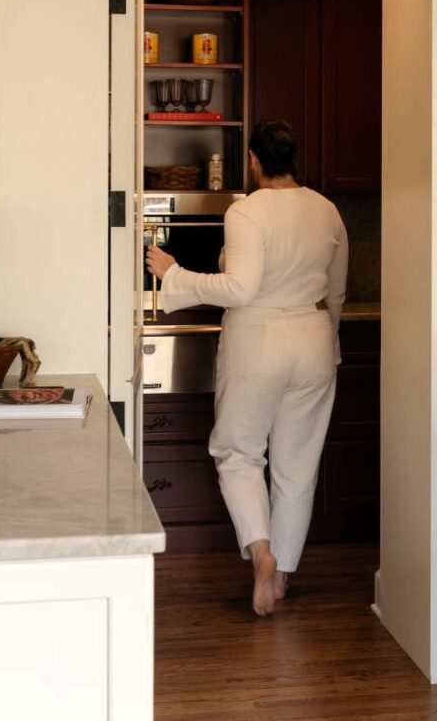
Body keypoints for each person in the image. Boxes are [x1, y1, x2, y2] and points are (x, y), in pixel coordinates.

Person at [145, 120, 348, 616]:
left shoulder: (247, 211)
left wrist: (175, 275)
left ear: (254, 161)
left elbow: (239, 288)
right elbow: (336, 290)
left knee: (238, 454)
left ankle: (260, 552)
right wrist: (330, 340)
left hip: (258, 340)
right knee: (297, 467)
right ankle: (280, 579)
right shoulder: (327, 209)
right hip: (315, 337)